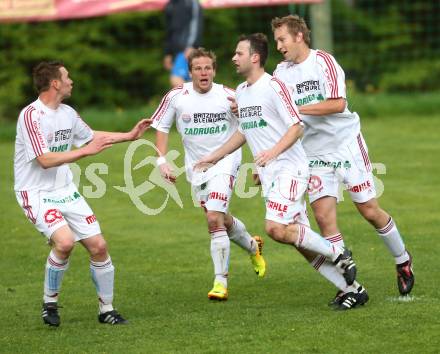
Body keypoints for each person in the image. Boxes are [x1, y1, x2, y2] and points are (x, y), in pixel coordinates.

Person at [195, 34, 363, 310]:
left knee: (274, 228)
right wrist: (213, 157)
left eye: (239, 53)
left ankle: (339, 252)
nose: (234, 58)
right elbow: (244, 132)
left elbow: (296, 126)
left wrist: (272, 154)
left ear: (255, 57)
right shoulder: (243, 90)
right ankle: (353, 290)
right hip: (273, 172)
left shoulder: (274, 86)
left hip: (291, 169)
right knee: (301, 243)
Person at [271, 15, 414, 304]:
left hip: (346, 145)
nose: (278, 46)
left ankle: (402, 260)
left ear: (299, 36)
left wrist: (298, 108)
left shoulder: (324, 62)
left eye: (282, 39)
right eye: (275, 41)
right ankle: (348, 285)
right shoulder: (280, 72)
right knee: (324, 219)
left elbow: (338, 104)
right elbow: (274, 107)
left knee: (369, 210)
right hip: (314, 153)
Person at [14, 61, 152, 327]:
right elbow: (44, 159)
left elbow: (90, 136)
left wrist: (128, 135)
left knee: (99, 246)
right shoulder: (31, 115)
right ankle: (49, 302)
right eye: (67, 77)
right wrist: (83, 153)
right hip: (36, 193)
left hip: (65, 190)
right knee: (64, 243)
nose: (71, 81)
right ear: (55, 83)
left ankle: (106, 310)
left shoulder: (67, 112)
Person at [151, 48, 266, 301]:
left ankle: (220, 282)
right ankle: (251, 245)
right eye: (198, 68)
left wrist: (259, 162)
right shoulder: (176, 96)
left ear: (214, 70)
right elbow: (161, 126)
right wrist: (162, 161)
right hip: (197, 167)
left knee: (213, 218)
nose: (203, 72)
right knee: (220, 218)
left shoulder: (230, 96)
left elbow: (253, 127)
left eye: (208, 68)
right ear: (190, 72)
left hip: (227, 161)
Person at [163, 0, 203, 87]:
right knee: (188, 84)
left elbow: (195, 24)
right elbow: (169, 31)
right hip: (175, 52)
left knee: (177, 81)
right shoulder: (169, 5)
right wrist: (168, 53)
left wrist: (191, 45)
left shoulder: (192, 2)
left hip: (187, 49)